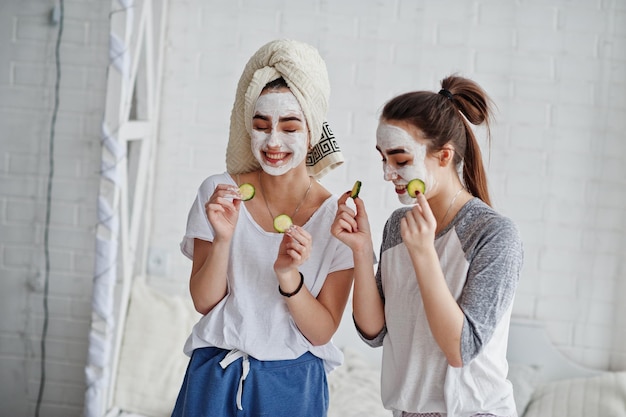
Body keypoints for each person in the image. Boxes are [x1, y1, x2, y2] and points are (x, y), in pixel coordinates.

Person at [171, 39, 354, 417]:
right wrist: (223, 239)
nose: (273, 142)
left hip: (293, 386)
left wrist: (289, 276)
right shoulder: (219, 193)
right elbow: (204, 301)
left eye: (289, 127)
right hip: (215, 376)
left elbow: (321, 332)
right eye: (260, 125)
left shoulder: (337, 217)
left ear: (313, 132)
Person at [331, 75, 523, 417]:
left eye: (401, 160)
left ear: (444, 155)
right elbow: (374, 333)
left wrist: (423, 254)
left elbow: (460, 350)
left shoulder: (494, 235)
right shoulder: (397, 226)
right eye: (383, 159)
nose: (388, 174)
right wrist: (361, 251)